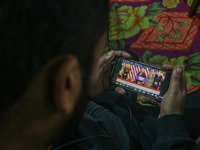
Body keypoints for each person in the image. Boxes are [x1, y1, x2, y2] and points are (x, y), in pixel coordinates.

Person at [0, 0, 199, 150]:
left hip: (102, 113)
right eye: (98, 52)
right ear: (66, 84)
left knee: (129, 59)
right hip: (151, 136)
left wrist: (84, 94)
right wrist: (170, 119)